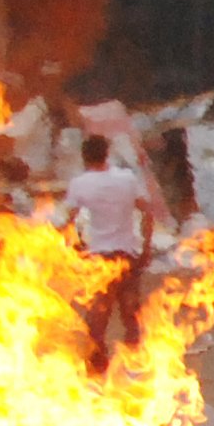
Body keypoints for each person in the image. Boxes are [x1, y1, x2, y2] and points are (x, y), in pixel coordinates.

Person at [64, 131, 167, 373]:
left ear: (84, 156)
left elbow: (67, 221)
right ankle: (136, 362)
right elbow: (147, 212)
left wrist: (73, 247)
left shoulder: (80, 184)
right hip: (127, 254)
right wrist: (146, 247)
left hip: (100, 257)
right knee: (131, 313)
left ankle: (98, 363)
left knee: (98, 315)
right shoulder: (127, 179)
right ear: (107, 154)